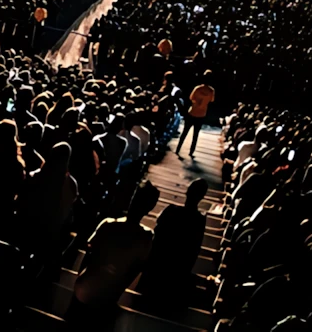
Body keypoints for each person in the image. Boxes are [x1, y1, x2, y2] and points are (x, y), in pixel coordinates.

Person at [69, 182, 160, 323]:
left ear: (132, 199)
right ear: (150, 208)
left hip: (84, 289)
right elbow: (134, 271)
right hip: (107, 296)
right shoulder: (146, 237)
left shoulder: (108, 224)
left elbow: (88, 254)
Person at [177, 73, 215, 159]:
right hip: (201, 114)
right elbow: (212, 100)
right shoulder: (211, 91)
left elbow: (191, 97)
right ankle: (191, 152)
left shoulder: (197, 88)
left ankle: (178, 148)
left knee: (185, 132)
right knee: (196, 134)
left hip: (192, 112)